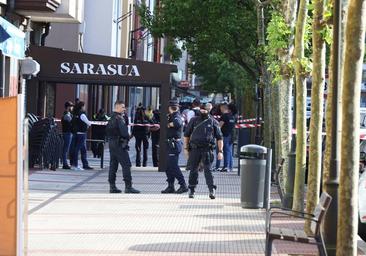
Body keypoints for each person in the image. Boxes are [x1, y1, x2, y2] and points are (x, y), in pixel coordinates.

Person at [184, 103, 223, 199]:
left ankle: (211, 190)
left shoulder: (213, 122)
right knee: (193, 170)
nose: (202, 111)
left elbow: (219, 138)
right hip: (195, 149)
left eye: (205, 110)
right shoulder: (194, 120)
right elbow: (186, 135)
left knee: (208, 171)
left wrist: (220, 151)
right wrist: (185, 149)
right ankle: (191, 190)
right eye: (201, 109)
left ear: (209, 110)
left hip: (207, 149)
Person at [105, 101, 140, 194]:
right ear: (117, 107)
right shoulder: (119, 118)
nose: (124, 109)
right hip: (119, 144)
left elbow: (107, 130)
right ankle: (128, 187)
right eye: (123, 107)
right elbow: (124, 133)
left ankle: (112, 186)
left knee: (113, 164)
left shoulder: (110, 117)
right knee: (126, 165)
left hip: (112, 143)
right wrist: (128, 137)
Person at [161, 99, 188, 194]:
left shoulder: (177, 116)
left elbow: (178, 123)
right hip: (170, 144)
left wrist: (169, 124)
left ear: (170, 108)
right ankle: (170, 186)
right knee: (168, 166)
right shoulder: (172, 115)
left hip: (174, 144)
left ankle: (183, 185)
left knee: (173, 166)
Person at [71, 101, 93, 170]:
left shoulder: (75, 114)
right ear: (82, 107)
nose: (85, 107)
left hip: (76, 133)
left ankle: (85, 164)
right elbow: (89, 123)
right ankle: (75, 165)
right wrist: (88, 125)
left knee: (83, 150)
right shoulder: (82, 115)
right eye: (84, 106)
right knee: (77, 149)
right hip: (82, 134)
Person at [216, 103, 235, 172]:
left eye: (221, 108)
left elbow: (219, 126)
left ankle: (224, 167)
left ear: (222, 108)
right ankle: (230, 167)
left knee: (221, 151)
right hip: (231, 135)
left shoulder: (224, 116)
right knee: (229, 152)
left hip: (224, 136)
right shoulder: (232, 116)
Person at [61, 101, 74, 169]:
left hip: (68, 133)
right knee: (65, 149)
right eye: (71, 106)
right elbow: (72, 122)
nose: (72, 108)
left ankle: (65, 163)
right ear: (68, 107)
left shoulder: (68, 114)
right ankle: (65, 164)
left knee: (66, 149)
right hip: (67, 133)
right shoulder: (66, 115)